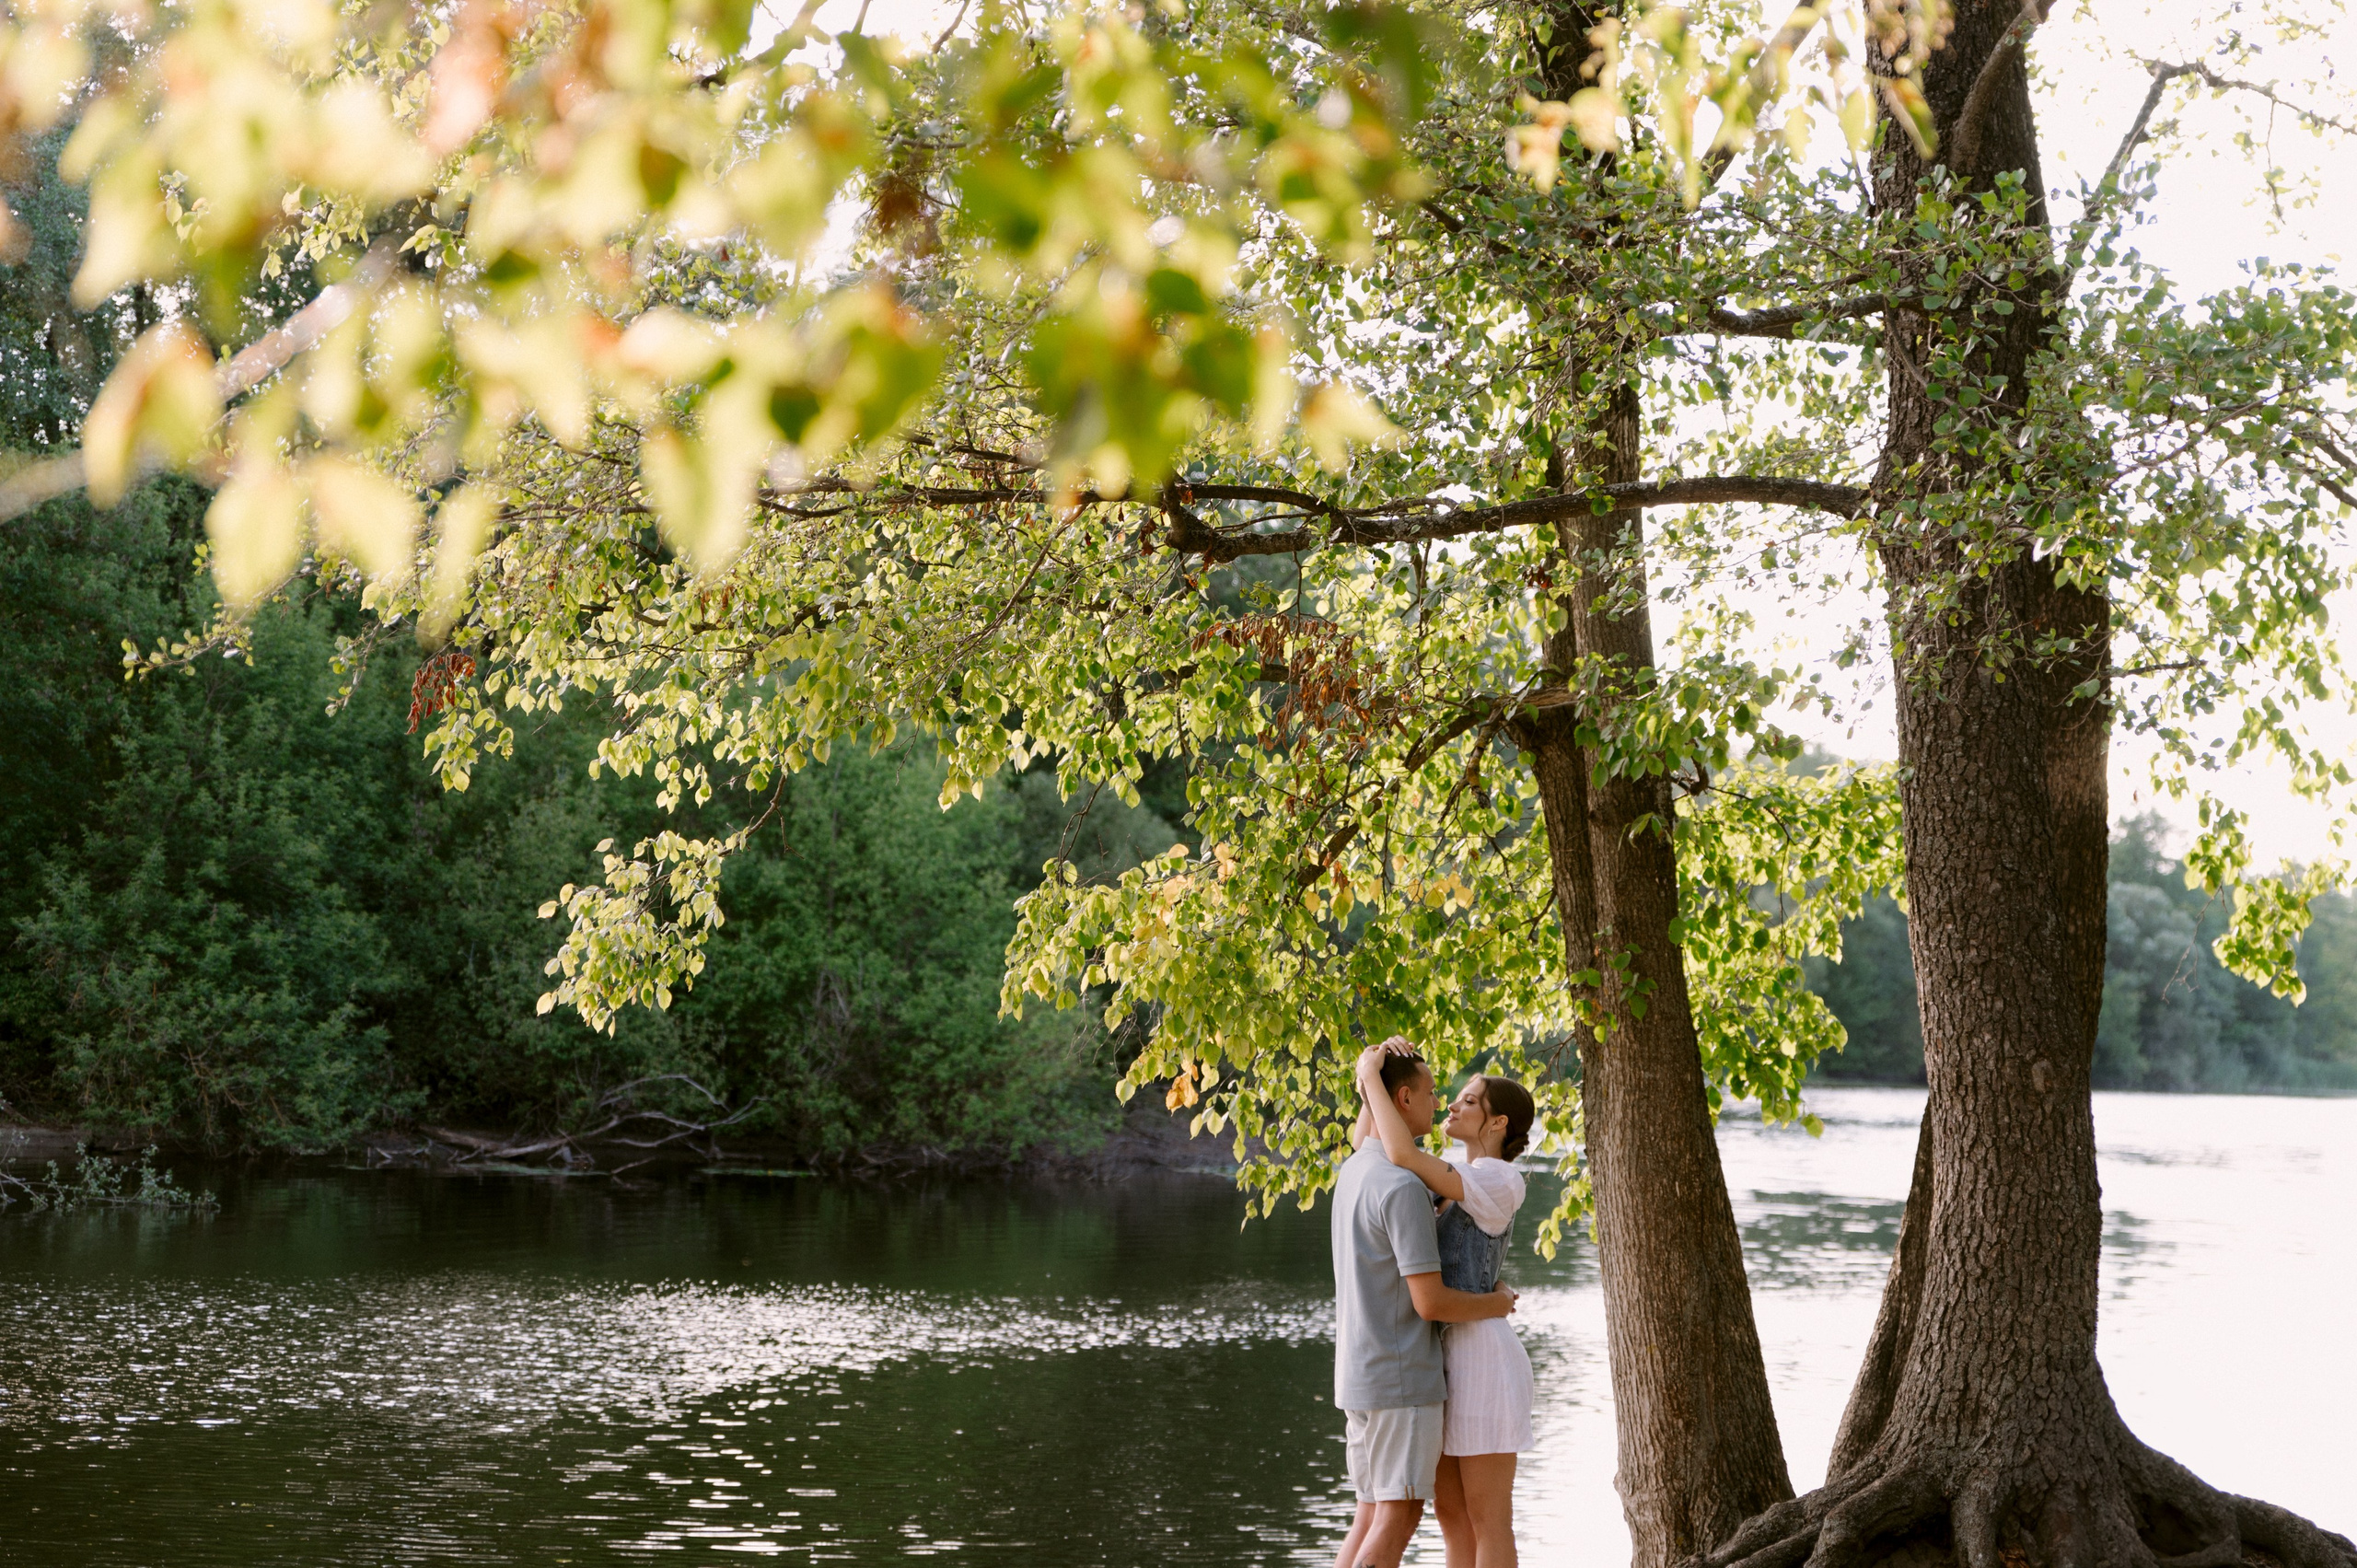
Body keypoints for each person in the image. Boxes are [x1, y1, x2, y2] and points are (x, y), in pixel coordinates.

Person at [1330, 1048, 1519, 1568]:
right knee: (1409, 1516)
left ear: (1498, 1122)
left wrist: (1370, 1079)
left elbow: (1383, 1145)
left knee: (1386, 1514)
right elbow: (1431, 1301)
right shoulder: (1405, 1184)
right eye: (1435, 1094)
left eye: (1465, 1100)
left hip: (1416, 1367)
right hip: (1406, 1375)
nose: (1444, 1104)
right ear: (1403, 1098)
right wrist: (1499, 1301)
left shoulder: (1359, 1170)